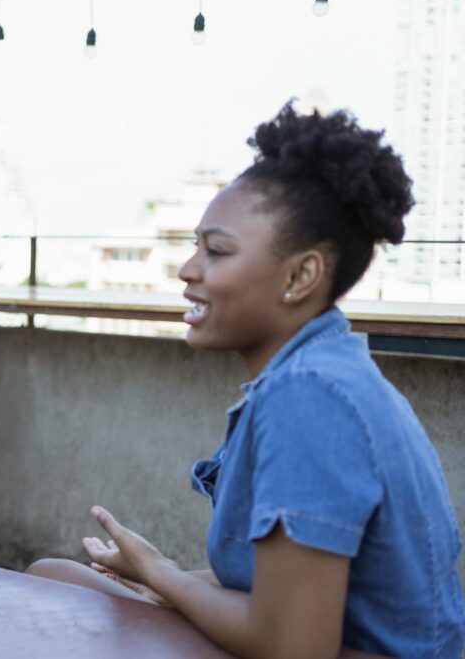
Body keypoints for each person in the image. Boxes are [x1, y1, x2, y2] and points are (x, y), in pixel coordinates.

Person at [29, 103, 465, 658]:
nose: (188, 269)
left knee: (54, 591)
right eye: (195, 246)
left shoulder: (312, 397)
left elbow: (296, 647)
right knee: (53, 576)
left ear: (300, 275)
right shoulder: (321, 372)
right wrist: (160, 582)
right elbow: (286, 580)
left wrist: (161, 574)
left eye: (216, 250)